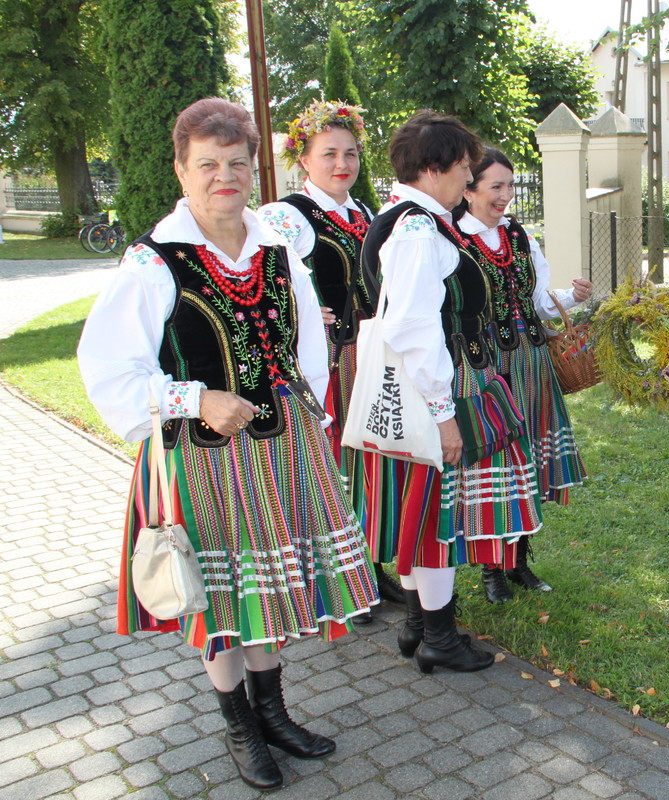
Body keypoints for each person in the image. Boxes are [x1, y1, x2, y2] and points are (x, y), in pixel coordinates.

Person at [77, 98, 377, 790]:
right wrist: (193, 398)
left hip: (280, 447)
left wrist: (314, 420)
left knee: (266, 591)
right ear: (181, 171)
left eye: (236, 164)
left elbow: (303, 345)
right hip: (201, 460)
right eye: (207, 164)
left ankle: (274, 714)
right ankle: (241, 728)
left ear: (252, 170)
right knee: (220, 599)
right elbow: (110, 371)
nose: (224, 177)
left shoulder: (276, 248)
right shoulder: (154, 264)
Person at [362, 111, 542, 672]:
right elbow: (414, 328)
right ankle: (438, 635)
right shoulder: (418, 229)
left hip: (425, 384)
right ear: (435, 168)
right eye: (465, 169)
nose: (469, 181)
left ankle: (421, 624)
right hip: (434, 387)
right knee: (439, 517)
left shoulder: (408, 220)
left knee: (425, 512)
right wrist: (443, 414)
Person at [258, 100, 404, 620]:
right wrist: (297, 314)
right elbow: (261, 283)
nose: (342, 164)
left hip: (366, 355)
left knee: (366, 460)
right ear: (304, 159)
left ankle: (366, 568)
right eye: (329, 154)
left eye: (350, 153)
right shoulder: (285, 215)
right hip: (325, 361)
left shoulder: (364, 212)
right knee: (330, 466)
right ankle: (336, 581)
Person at [453, 147, 591, 603]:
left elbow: (535, 301)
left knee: (528, 459)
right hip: (487, 367)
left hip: (531, 362)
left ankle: (520, 562)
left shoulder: (519, 236)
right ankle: (491, 570)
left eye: (510, 186)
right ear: (468, 189)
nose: (506, 196)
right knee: (495, 464)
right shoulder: (453, 238)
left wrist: (570, 298)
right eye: (496, 186)